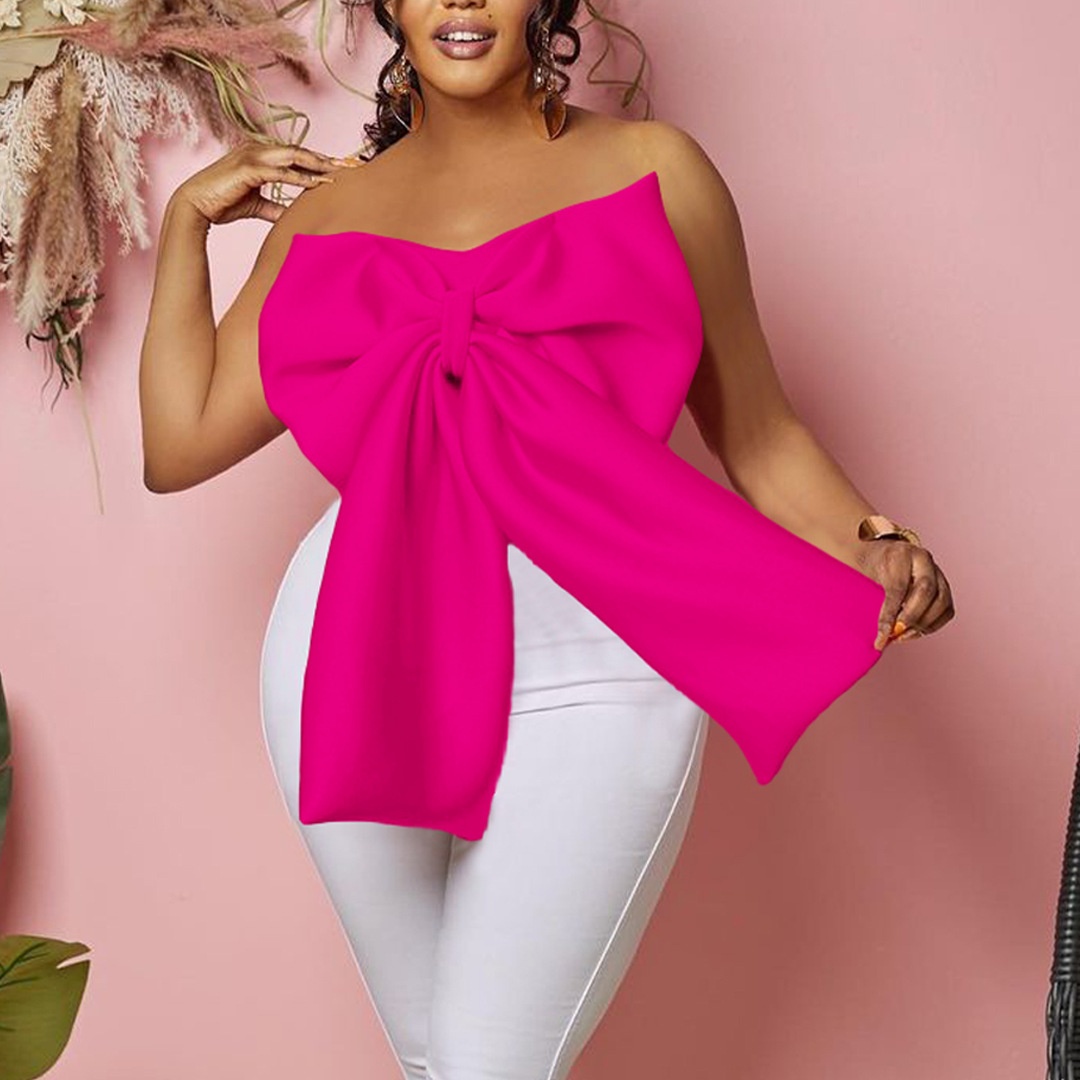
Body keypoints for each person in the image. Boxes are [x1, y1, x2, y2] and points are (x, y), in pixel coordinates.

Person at [139, 2, 955, 1076]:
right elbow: (180, 443)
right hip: (355, 646)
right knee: (438, 1061)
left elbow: (759, 433)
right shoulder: (324, 221)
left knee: (485, 1064)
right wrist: (187, 224)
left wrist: (874, 540)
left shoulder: (658, 171)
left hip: (603, 658)